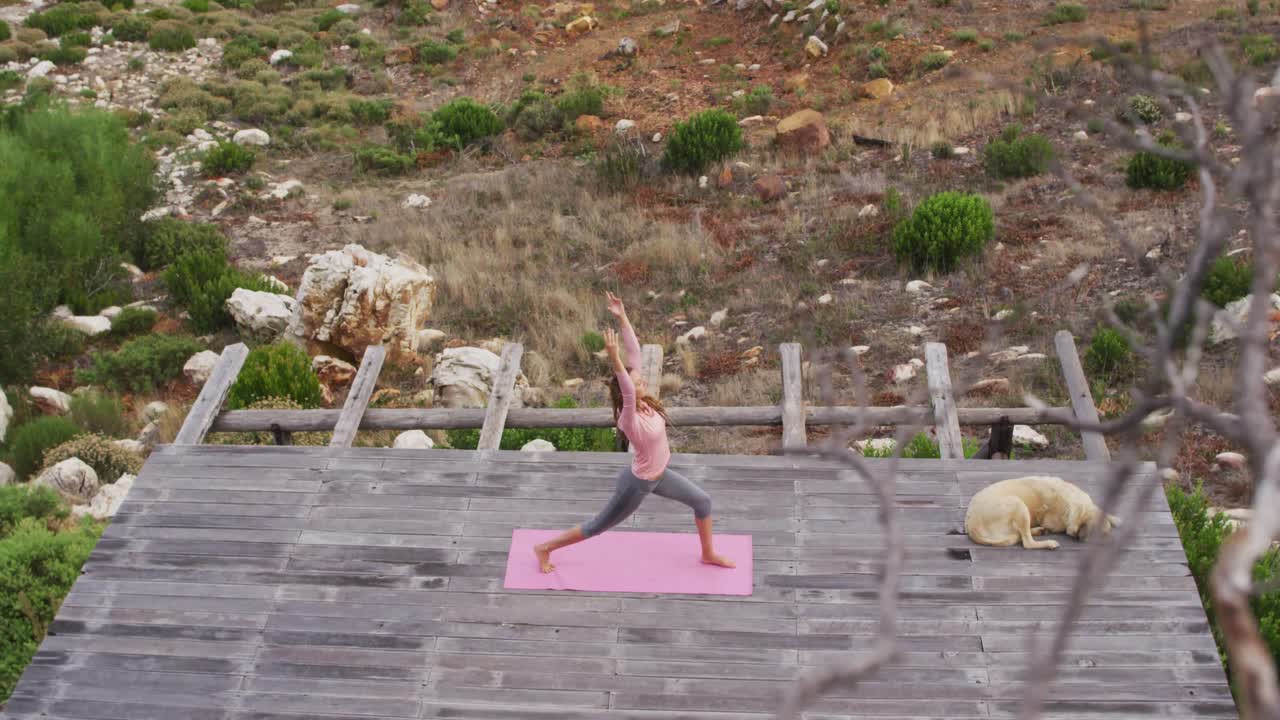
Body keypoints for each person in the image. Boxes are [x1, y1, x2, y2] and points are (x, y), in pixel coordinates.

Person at [533, 292, 735, 573]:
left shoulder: (646, 403)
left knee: (702, 501)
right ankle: (544, 548)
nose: (641, 381)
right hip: (637, 484)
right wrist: (615, 359)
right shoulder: (628, 417)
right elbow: (627, 388)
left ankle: (708, 553)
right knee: (597, 526)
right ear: (627, 390)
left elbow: (635, 352)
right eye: (636, 381)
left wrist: (622, 316)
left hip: (660, 474)